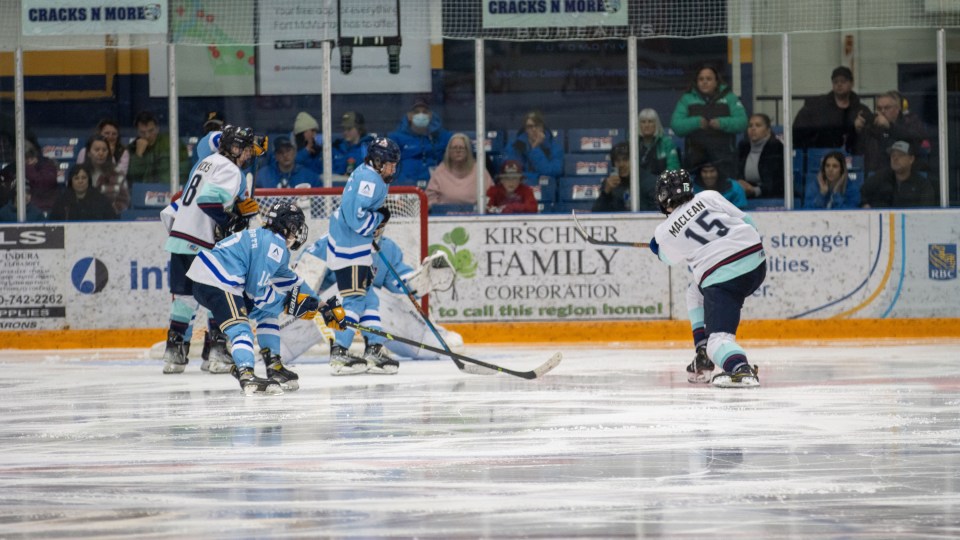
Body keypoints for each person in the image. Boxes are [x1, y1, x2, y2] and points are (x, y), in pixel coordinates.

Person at [187, 202, 346, 395]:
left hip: (216, 279)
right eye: (297, 227)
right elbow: (257, 292)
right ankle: (246, 373)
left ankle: (274, 365)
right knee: (241, 327)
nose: (298, 233)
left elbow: (292, 281)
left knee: (267, 312)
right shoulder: (274, 245)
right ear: (289, 226)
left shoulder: (271, 241)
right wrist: (287, 304)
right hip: (218, 281)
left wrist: (322, 306)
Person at [649, 169, 766, 388]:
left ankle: (740, 368)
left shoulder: (664, 231)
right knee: (695, 291)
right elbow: (749, 222)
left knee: (719, 341)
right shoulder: (708, 196)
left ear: (663, 198)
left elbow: (667, 258)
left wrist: (656, 247)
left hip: (724, 278)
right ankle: (701, 350)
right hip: (756, 261)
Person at [161, 125, 263, 375]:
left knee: (184, 299)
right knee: (218, 294)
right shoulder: (231, 169)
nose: (249, 155)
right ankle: (217, 352)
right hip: (203, 242)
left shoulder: (206, 161)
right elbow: (209, 200)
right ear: (235, 148)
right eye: (247, 149)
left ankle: (174, 354)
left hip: (180, 237)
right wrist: (231, 220)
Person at [278, 232, 463, 362]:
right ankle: (282, 345)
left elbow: (399, 283)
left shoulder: (387, 248)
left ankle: (414, 340)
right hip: (321, 311)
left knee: (371, 293)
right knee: (354, 289)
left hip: (366, 308)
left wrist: (420, 279)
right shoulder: (329, 243)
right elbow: (304, 282)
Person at [326, 136, 402, 375]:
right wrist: (380, 218)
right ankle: (339, 351)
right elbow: (355, 218)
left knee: (370, 300)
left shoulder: (371, 175)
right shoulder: (368, 180)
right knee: (355, 300)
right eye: (390, 163)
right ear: (378, 161)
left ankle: (374, 349)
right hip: (350, 248)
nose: (393, 168)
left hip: (355, 246)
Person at [670, 64, 747, 179]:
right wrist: (696, 122)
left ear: (716, 81)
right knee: (694, 194)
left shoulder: (730, 97)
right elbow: (676, 126)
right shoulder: (687, 99)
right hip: (695, 159)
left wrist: (721, 123)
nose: (704, 82)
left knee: (725, 195)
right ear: (696, 82)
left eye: (709, 79)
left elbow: (742, 122)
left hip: (724, 158)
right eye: (701, 79)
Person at [792, 66, 870, 154]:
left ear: (851, 83)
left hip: (853, 154)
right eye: (835, 81)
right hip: (821, 152)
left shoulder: (861, 109)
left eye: (843, 81)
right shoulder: (817, 106)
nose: (839, 84)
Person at [855, 90, 929, 176]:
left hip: (906, 175)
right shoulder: (872, 126)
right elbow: (858, 150)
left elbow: (916, 137)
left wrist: (890, 127)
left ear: (897, 109)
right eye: (879, 108)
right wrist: (857, 130)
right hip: (877, 173)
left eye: (887, 108)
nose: (882, 111)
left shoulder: (910, 121)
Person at [388, 99, 452, 187]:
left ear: (430, 115)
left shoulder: (443, 137)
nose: (421, 115)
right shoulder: (396, 138)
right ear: (409, 116)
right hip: (405, 187)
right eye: (416, 112)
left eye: (425, 112)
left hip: (437, 187)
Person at [860, 140, 937, 208]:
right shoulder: (880, 179)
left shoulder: (922, 185)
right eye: (893, 155)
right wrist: (864, 205)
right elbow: (861, 194)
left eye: (900, 155)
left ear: (911, 159)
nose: (895, 158)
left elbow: (927, 211)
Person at [425, 132, 493, 208]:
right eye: (454, 148)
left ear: (468, 151)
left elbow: (491, 194)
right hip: (446, 215)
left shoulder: (479, 170)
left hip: (474, 215)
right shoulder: (440, 170)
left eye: (462, 148)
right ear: (449, 152)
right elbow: (430, 198)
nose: (458, 151)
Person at [126, 110, 191, 184]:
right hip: (142, 191)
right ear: (137, 131)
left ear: (157, 128)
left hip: (168, 188)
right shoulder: (131, 148)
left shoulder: (172, 142)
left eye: (151, 131)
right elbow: (132, 177)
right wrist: (138, 155)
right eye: (142, 132)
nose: (147, 136)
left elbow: (184, 168)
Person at [502, 110, 564, 183]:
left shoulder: (555, 148)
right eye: (530, 126)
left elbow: (553, 172)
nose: (534, 129)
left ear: (542, 127)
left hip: (545, 190)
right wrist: (537, 177)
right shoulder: (514, 146)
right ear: (525, 129)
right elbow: (512, 173)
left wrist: (535, 149)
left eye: (537, 126)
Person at [0, 137, 58, 214]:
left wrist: (28, 168)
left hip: (43, 208)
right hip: (15, 209)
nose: (28, 161)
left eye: (30, 157)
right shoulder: (11, 168)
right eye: (24, 158)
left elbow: (42, 185)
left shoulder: (47, 166)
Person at [736, 113, 784, 199]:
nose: (753, 128)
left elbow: (776, 182)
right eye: (750, 126)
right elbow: (736, 173)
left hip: (771, 196)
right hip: (745, 194)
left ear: (768, 130)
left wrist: (755, 190)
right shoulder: (743, 147)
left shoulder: (776, 148)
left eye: (758, 125)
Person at [49, 162, 119, 221]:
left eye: (84, 178)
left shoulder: (101, 200)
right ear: (71, 181)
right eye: (76, 178)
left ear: (89, 180)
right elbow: (53, 225)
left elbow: (112, 222)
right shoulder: (62, 201)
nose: (80, 181)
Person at [83, 135, 130, 214]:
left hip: (110, 219)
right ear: (88, 153)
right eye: (97, 150)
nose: (101, 153)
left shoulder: (117, 174)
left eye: (104, 150)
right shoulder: (80, 173)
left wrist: (108, 212)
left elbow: (124, 203)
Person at [592, 142, 631, 212]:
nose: (621, 164)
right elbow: (596, 213)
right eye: (618, 161)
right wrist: (606, 193)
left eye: (625, 159)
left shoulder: (646, 181)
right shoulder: (609, 183)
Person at [333, 111, 374, 176]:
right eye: (344, 129)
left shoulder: (369, 149)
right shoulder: (336, 148)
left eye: (349, 129)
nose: (345, 132)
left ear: (359, 129)